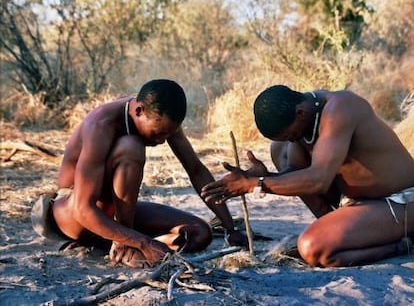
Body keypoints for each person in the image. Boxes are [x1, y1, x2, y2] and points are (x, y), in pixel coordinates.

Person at [31, 79, 247, 268]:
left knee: (199, 233)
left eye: (168, 135)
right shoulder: (101, 125)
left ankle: (121, 240)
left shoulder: (161, 117)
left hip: (110, 215)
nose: (162, 140)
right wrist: (144, 242)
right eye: (159, 134)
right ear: (139, 111)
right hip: (72, 215)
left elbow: (196, 169)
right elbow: (82, 209)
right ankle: (125, 245)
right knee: (131, 146)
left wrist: (230, 228)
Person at [201, 85, 414, 267]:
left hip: (398, 202)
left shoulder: (340, 108)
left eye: (291, 134)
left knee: (312, 248)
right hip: (360, 203)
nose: (293, 140)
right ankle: (342, 233)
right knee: (279, 149)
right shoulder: (305, 117)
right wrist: (265, 177)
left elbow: (319, 180)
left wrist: (256, 184)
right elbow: (296, 174)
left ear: (300, 114)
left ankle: (401, 244)